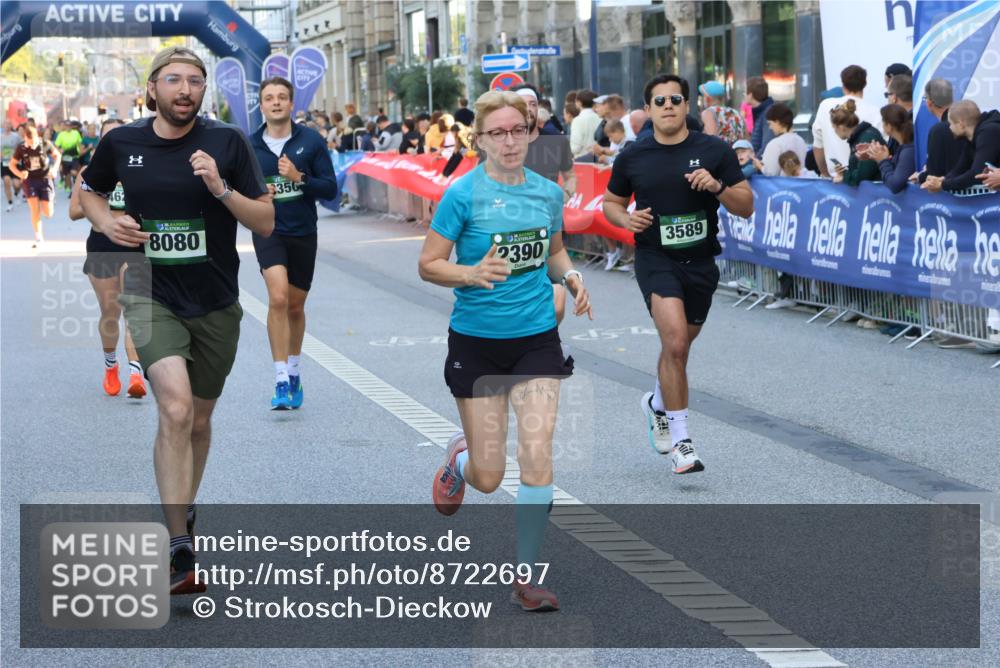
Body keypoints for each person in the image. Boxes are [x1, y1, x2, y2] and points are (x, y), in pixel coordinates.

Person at [79, 46, 274, 595]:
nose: (184, 90)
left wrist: (221, 189)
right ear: (153, 88)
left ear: (203, 91)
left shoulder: (227, 142)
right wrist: (108, 222)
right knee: (176, 407)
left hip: (214, 299)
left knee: (201, 422)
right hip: (148, 290)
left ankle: (183, 510)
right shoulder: (123, 142)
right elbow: (88, 191)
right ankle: (177, 547)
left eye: (194, 81)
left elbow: (265, 218)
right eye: (173, 80)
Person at [420, 90, 593, 612]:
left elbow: (555, 252)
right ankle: (461, 459)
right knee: (490, 478)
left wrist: (574, 276)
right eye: (497, 133)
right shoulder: (462, 195)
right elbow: (429, 263)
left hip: (537, 338)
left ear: (532, 131)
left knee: (538, 455)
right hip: (476, 343)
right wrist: (469, 273)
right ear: (480, 140)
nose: (510, 141)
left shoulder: (546, 192)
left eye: (518, 130)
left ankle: (527, 575)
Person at [603, 74, 753, 470]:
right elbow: (611, 202)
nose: (668, 105)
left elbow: (746, 205)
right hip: (656, 259)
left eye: (675, 99)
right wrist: (625, 219)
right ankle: (683, 442)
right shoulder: (634, 155)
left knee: (681, 346)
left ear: (687, 106)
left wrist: (718, 186)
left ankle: (656, 402)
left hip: (701, 262)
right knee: (675, 345)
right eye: (659, 100)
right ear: (649, 110)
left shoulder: (714, 149)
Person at [251, 76, 338, 409]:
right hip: (269, 231)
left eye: (282, 97)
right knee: (278, 297)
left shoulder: (311, 142)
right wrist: (260, 194)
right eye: (269, 97)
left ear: (291, 104)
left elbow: (330, 189)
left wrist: (298, 178)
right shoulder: (249, 145)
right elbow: (238, 190)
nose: (275, 102)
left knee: (295, 306)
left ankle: (295, 369)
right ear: (261, 105)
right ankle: (281, 379)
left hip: (303, 231)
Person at [68, 117, 147, 398]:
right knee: (110, 313)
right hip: (102, 243)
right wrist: (103, 206)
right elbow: (75, 211)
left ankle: (136, 374)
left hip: (134, 243)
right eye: (107, 137)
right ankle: (111, 366)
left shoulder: (139, 167)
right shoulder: (89, 172)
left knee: (134, 309)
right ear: (100, 141)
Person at [511, 83, 577, 319]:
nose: (528, 109)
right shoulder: (502, 143)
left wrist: (562, 199)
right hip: (511, 230)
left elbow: (570, 177)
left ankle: (547, 343)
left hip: (548, 229)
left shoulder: (556, 141)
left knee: (556, 300)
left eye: (533, 104)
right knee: (520, 299)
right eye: (523, 104)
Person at [811, 65, 883, 176]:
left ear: (843, 84)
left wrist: (825, 174)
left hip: (836, 179)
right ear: (865, 84)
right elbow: (881, 151)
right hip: (865, 182)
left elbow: (818, 147)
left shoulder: (825, 106)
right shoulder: (876, 112)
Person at [922, 100, 1000, 193]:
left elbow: (976, 174)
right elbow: (961, 168)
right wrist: (942, 180)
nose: (949, 128)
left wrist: (943, 185)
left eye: (951, 123)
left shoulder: (989, 132)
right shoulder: (971, 138)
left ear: (961, 124)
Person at [10, 122, 60, 247]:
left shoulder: (45, 144)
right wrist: (20, 174)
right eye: (28, 142)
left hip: (45, 178)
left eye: (33, 142)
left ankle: (49, 199)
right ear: (25, 138)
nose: (31, 145)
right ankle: (38, 237)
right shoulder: (21, 148)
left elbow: (57, 156)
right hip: (30, 180)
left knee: (48, 213)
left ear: (37, 137)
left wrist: (54, 169)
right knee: (35, 210)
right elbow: (12, 165)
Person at [918, 79, 966, 183]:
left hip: (949, 194)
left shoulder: (938, 131)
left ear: (929, 102)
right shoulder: (969, 121)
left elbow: (934, 172)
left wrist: (920, 176)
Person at [859, 104, 914, 194]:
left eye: (883, 122)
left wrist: (882, 161)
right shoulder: (903, 147)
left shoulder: (908, 150)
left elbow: (895, 185)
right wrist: (876, 156)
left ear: (889, 126)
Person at [829, 99, 883, 186]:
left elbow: (862, 176)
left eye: (834, 128)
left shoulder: (865, 138)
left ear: (841, 127)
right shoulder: (860, 137)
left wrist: (845, 176)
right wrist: (845, 172)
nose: (834, 131)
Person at [754, 102, 807, 177]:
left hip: (781, 187)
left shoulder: (775, 144)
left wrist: (759, 166)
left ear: (777, 122)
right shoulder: (801, 141)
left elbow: (771, 173)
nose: (770, 127)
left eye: (770, 123)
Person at [697, 81, 747, 145]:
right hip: (738, 154)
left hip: (720, 154)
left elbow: (711, 141)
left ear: (708, 99)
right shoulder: (736, 113)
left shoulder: (708, 113)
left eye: (703, 96)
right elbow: (746, 139)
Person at [745, 76, 774, 155]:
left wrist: (754, 161)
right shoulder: (762, 111)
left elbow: (767, 144)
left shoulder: (768, 113)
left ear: (750, 95)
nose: (744, 95)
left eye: (745, 93)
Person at [570, 89, 601, 158]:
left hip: (582, 161)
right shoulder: (601, 118)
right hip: (600, 159)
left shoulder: (577, 120)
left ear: (579, 103)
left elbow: (575, 147)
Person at [54, 120, 84, 192]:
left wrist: (81, 151)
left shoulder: (76, 133)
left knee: (74, 172)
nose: (68, 127)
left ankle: (76, 184)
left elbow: (79, 143)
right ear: (65, 126)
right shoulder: (61, 134)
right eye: (66, 126)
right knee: (67, 174)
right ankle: (69, 188)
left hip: (74, 155)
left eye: (69, 126)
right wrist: (59, 150)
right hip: (65, 156)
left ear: (71, 126)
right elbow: (56, 145)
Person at [2, 122, 23, 211]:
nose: (7, 126)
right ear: (3, 126)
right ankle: (10, 203)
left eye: (8, 124)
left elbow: (21, 147)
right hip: (4, 163)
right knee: (6, 181)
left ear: (11, 126)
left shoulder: (16, 137)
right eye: (5, 124)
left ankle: (17, 193)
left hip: (15, 164)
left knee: (17, 184)